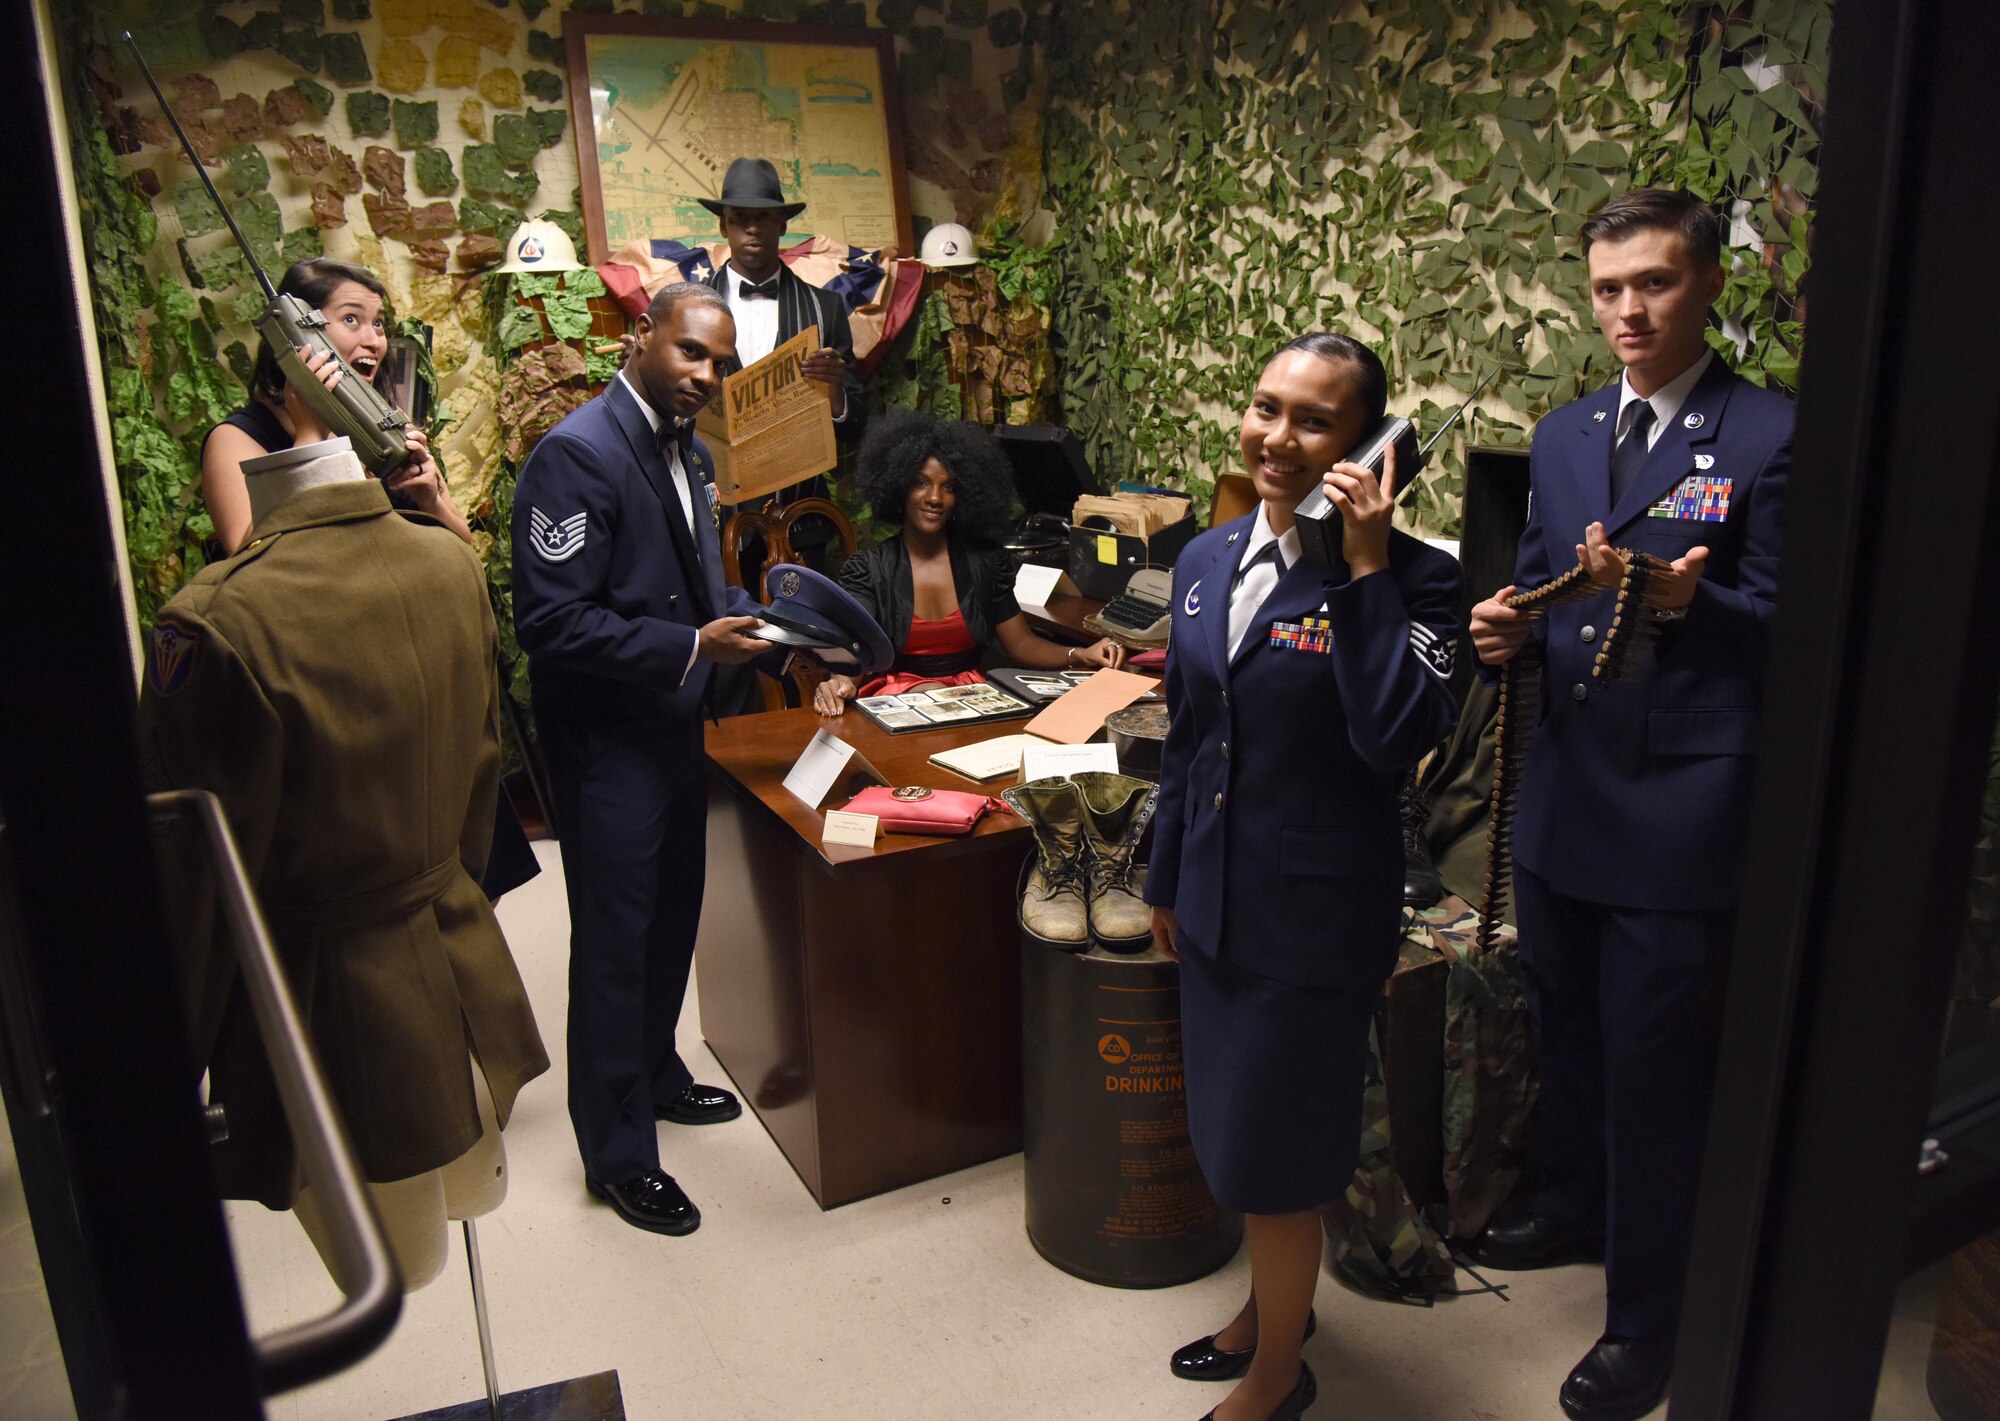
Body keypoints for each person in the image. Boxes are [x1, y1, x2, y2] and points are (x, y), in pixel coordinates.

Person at [1467, 188, 1793, 1421]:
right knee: (1565, 1033)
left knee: (1655, 1068)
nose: (1626, 311)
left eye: (1652, 282)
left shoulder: (1769, 433)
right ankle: (1571, 1204)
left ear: (1705, 282)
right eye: (1607, 287)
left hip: (1678, 808)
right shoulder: (1560, 434)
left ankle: (1649, 1319)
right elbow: (1542, 585)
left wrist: (1684, 605)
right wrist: (1499, 625)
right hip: (1564, 792)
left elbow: (1799, 636)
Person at [1146, 333, 1462, 1421]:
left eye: (1313, 419)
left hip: (1312, 923)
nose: (1276, 437)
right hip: (1211, 901)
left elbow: (1391, 736)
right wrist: (1160, 875)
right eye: (1264, 406)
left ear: (1368, 446)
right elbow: (1191, 736)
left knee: (1274, 1156)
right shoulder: (1204, 558)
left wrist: (1366, 565)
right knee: (1235, 1136)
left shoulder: (1423, 580)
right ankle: (1272, 1311)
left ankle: (1278, 1372)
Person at [140, 431, 550, 1264]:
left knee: (399, 1257)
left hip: (330, 1005)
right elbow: (482, 771)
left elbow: (197, 879)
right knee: (448, 1220)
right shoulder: (449, 563)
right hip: (458, 954)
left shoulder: (214, 621)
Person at [511, 281, 788, 1237]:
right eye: (691, 355)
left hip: (677, 726)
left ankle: (658, 1071)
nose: (706, 377)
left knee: (672, 918)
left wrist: (752, 621)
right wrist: (689, 650)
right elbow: (550, 621)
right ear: (642, 336)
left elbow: (681, 579)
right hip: (609, 743)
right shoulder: (576, 454)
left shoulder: (693, 450)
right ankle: (618, 1151)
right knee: (617, 944)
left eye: (720, 363)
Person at [812, 409, 1123, 714]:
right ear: (899, 487)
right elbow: (857, 654)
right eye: (921, 483)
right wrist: (839, 683)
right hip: (896, 699)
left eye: (948, 487)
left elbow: (1021, 644)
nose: (935, 498)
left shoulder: (985, 562)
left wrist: (1079, 654)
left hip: (971, 699)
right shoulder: (870, 569)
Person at [201, 257, 469, 554]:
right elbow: (251, 556)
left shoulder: (393, 426)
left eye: (378, 323)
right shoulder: (235, 439)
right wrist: (309, 438)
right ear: (297, 332)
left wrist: (430, 499)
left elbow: (464, 547)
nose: (374, 341)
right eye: (351, 319)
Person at [700, 156, 868, 475]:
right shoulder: (690, 309)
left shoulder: (826, 309)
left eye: (764, 216)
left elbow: (854, 428)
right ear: (723, 225)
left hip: (797, 502)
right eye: (739, 218)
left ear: (782, 224)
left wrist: (835, 395)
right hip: (716, 501)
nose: (752, 228)